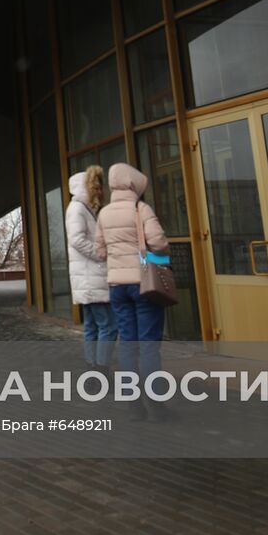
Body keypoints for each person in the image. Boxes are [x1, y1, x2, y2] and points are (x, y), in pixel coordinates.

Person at [94, 163, 170, 420]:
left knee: (128, 344)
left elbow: (100, 250)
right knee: (149, 344)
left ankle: (133, 405)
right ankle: (156, 404)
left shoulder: (104, 214)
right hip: (143, 284)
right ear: (132, 184)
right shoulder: (140, 209)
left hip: (117, 287)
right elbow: (159, 243)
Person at [65, 166, 114, 372]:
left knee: (92, 327)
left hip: (87, 278)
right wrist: (100, 253)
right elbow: (76, 239)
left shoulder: (83, 208)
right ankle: (101, 370)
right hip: (91, 277)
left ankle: (93, 371)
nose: (100, 190)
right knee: (109, 326)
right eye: (97, 186)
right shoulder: (77, 209)